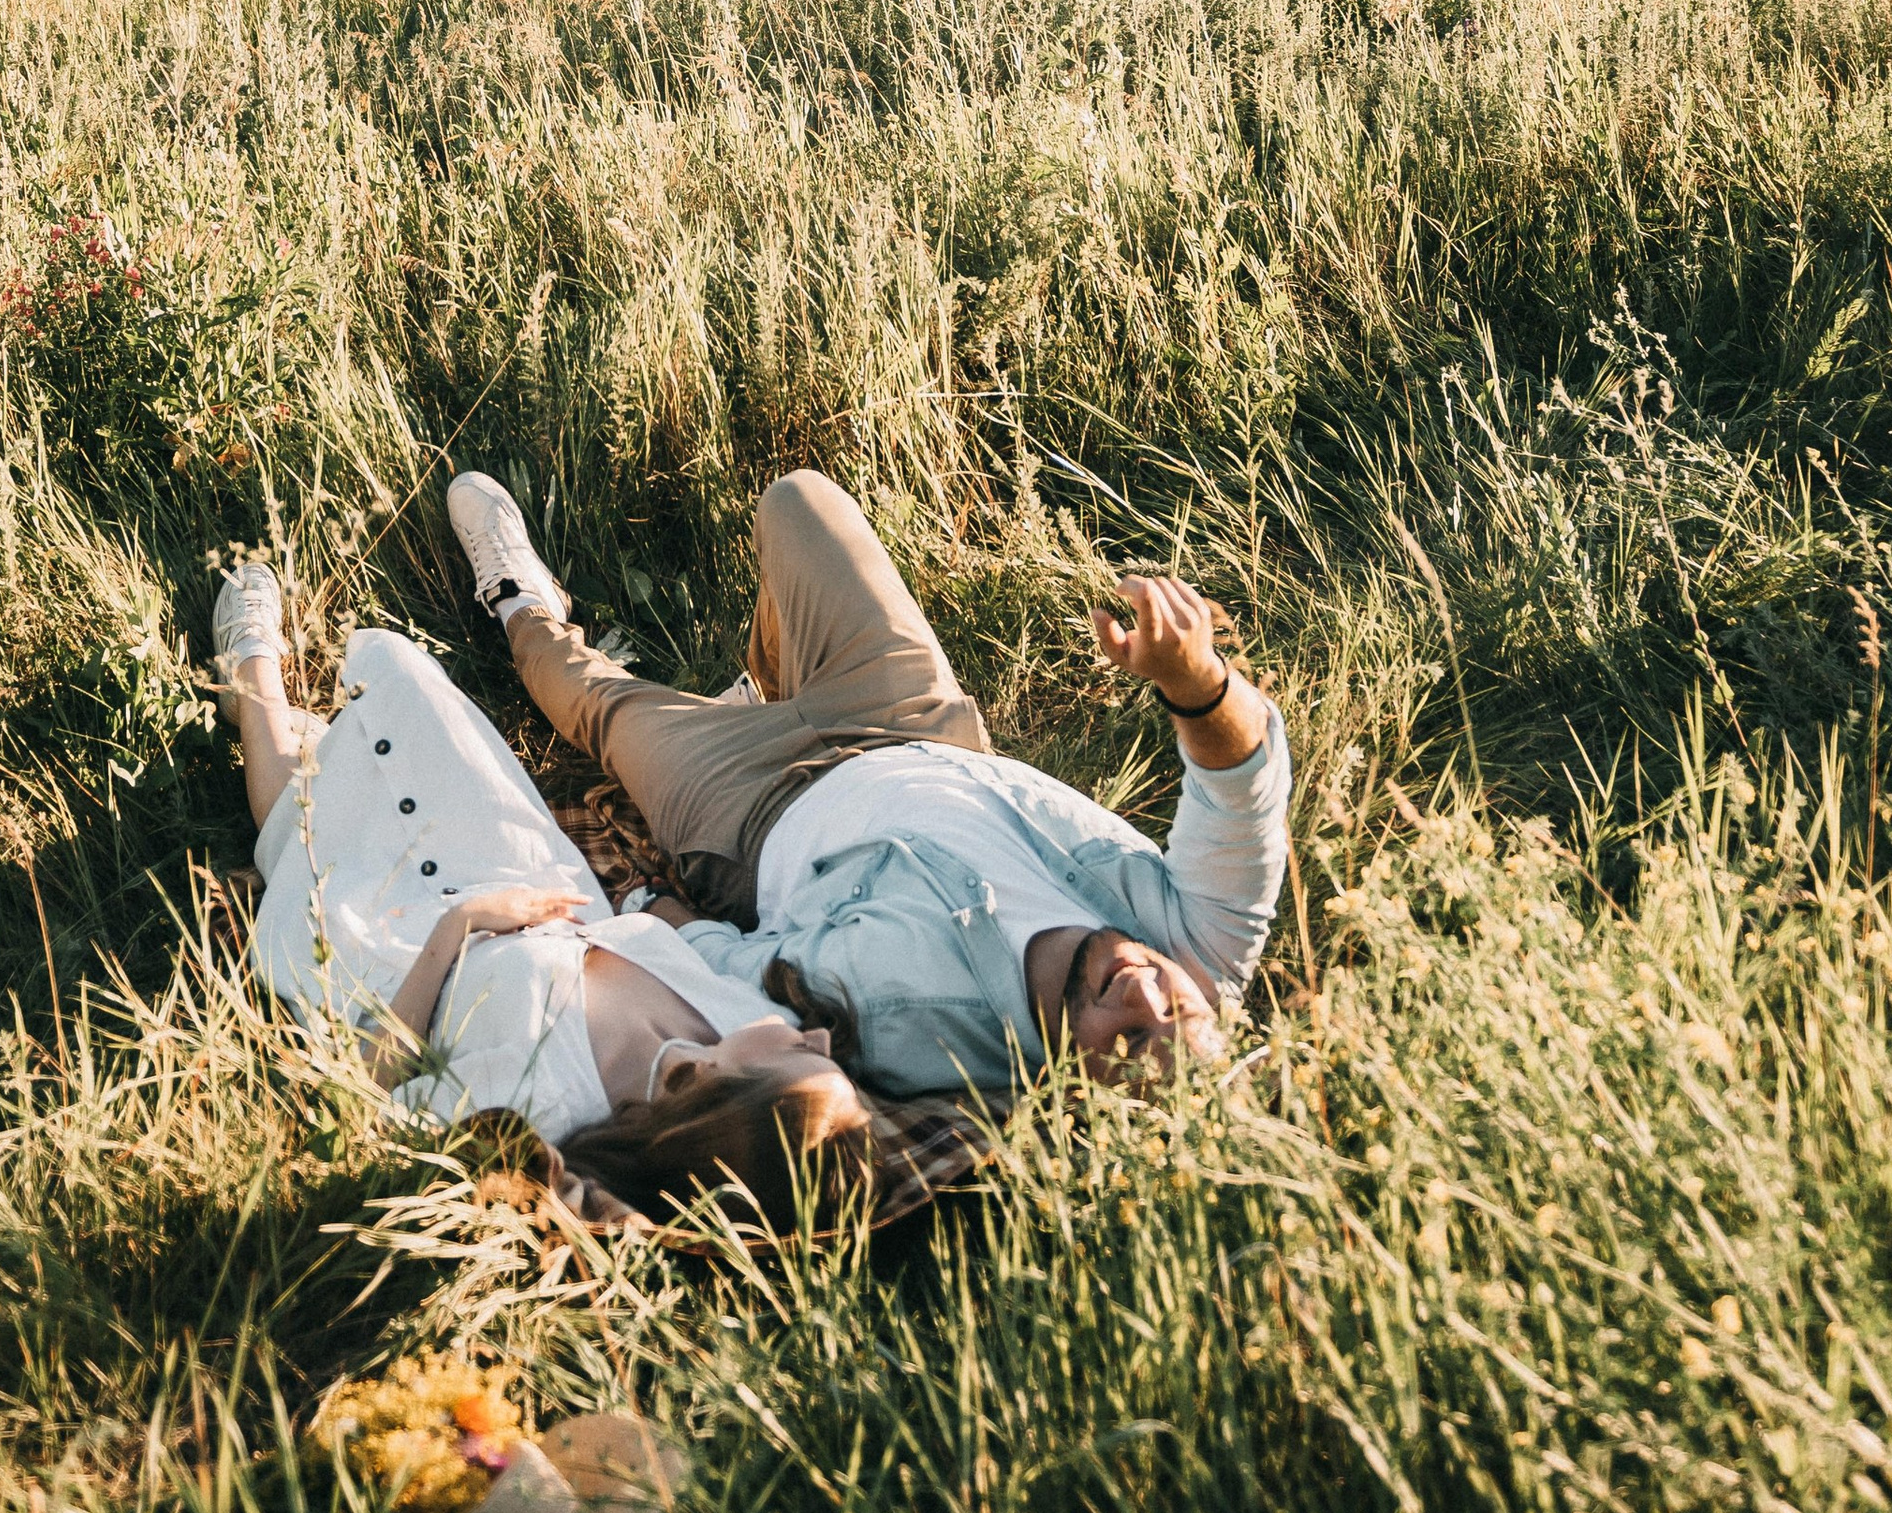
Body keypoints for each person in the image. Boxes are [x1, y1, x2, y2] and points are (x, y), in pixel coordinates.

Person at [444, 467, 1290, 1105]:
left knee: (595, 703)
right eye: (1175, 1015)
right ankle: (759, 693)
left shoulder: (919, 1032)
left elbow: (742, 974)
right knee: (799, 502)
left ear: (1084, 1095)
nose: (1145, 991)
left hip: (750, 815)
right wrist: (1195, 680)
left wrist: (647, 908)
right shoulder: (1205, 944)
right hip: (916, 726)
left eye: (1133, 1042)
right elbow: (1242, 788)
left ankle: (520, 601)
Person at [213, 564, 872, 1226]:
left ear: (721, 1094)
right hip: (511, 856)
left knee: (302, 832)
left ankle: (251, 671)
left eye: (801, 1055)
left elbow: (360, 1097)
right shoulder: (746, 1017)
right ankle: (322, 743)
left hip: (402, 939)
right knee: (399, 670)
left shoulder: (547, 1100)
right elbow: (718, 955)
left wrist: (455, 928)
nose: (816, 1035)